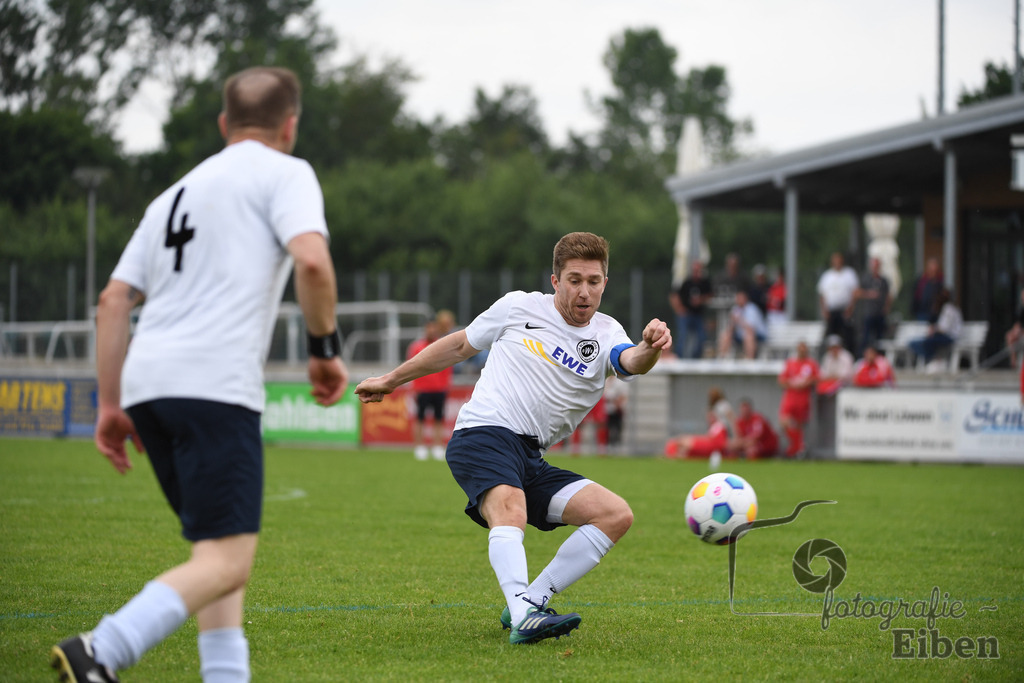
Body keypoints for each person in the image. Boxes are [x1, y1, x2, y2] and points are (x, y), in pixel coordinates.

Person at [50, 67, 349, 683]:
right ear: (290, 125)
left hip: (147, 387)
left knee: (216, 553)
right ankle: (103, 649)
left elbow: (112, 301)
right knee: (229, 559)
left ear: (223, 124)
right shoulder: (287, 173)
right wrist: (324, 348)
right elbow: (313, 263)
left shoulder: (172, 195)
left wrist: (110, 405)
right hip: (214, 386)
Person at [355, 232, 671, 645]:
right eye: (574, 280)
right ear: (555, 280)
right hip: (482, 433)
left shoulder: (608, 332)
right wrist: (392, 379)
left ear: (604, 283)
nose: (584, 291)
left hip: (530, 456)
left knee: (615, 515)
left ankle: (531, 600)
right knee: (511, 506)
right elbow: (456, 347)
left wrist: (650, 346)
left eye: (594, 281)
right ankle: (524, 616)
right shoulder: (517, 306)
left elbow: (630, 361)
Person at [407, 319, 453, 460]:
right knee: (420, 418)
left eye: (433, 328)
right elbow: (411, 368)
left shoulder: (442, 346)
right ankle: (419, 446)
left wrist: (446, 386)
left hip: (439, 389)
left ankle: (437, 446)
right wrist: (414, 387)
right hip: (422, 389)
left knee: (439, 418)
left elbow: (448, 368)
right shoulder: (417, 347)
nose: (431, 331)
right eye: (429, 328)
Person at [777, 340, 819, 457]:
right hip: (790, 398)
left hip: (803, 399)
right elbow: (781, 380)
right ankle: (798, 446)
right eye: (800, 348)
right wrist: (792, 384)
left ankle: (796, 450)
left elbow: (816, 379)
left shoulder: (811, 364)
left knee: (799, 426)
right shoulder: (790, 363)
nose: (802, 350)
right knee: (784, 422)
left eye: (804, 348)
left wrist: (804, 383)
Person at [908, 287, 963, 370]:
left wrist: (934, 330)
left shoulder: (949, 308)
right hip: (944, 335)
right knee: (916, 343)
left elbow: (944, 329)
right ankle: (934, 360)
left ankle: (934, 360)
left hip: (951, 337)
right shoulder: (945, 308)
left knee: (928, 342)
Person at [669, 259, 712, 359]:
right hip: (686, 314)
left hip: (698, 315)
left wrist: (700, 300)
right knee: (682, 336)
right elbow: (674, 295)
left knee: (702, 337)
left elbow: (710, 295)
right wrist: (679, 309)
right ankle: (678, 358)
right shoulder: (687, 282)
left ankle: (695, 358)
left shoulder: (705, 283)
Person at [817, 252, 859, 351]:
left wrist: (851, 308)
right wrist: (824, 310)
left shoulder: (849, 274)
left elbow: (855, 293)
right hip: (831, 311)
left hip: (845, 311)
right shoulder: (827, 276)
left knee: (847, 336)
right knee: (831, 336)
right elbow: (822, 295)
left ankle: (849, 355)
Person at [856, 257, 892, 356]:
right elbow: (857, 293)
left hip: (880, 314)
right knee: (866, 337)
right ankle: (863, 357)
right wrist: (869, 294)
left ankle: (880, 358)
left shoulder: (884, 280)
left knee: (880, 338)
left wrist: (886, 308)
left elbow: (888, 296)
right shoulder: (866, 279)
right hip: (868, 313)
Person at [717, 289, 767, 359]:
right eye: (737, 298)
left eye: (740, 298)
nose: (738, 300)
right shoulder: (735, 309)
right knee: (725, 334)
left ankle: (750, 360)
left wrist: (739, 320)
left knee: (748, 336)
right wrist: (732, 323)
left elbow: (751, 329)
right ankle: (722, 358)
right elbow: (730, 330)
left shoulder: (752, 309)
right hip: (741, 335)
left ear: (745, 299)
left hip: (758, 335)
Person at [663, 407, 729, 459]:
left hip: (708, 446)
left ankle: (674, 455)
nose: (709, 419)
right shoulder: (715, 427)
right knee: (680, 442)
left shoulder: (719, 426)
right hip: (708, 445)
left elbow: (714, 441)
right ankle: (675, 455)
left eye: (711, 416)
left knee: (683, 442)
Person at [911, 257, 944, 322]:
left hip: (937, 314)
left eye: (934, 269)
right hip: (922, 312)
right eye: (930, 268)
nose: (932, 271)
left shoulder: (941, 281)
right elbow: (916, 296)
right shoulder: (921, 281)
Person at [1004, 287, 1024, 368]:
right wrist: (1015, 330)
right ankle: (1013, 360)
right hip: (1020, 334)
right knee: (1009, 336)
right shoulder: (1022, 310)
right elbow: (1018, 323)